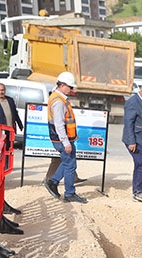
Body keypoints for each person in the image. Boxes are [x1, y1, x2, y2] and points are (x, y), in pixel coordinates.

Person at [43, 72, 88, 204]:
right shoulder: (58, 101)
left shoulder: (58, 97)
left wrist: (72, 136)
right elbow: (59, 124)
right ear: (62, 85)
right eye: (70, 87)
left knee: (68, 162)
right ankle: (69, 193)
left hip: (64, 138)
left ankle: (53, 182)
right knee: (70, 165)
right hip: (61, 139)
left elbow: (67, 121)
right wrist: (66, 142)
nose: (72, 89)